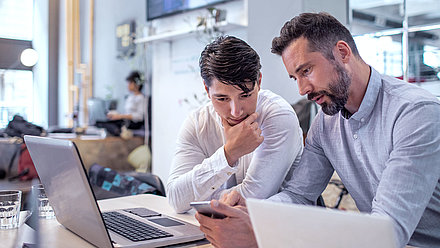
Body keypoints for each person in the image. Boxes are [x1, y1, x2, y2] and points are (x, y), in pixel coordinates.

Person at [195, 12, 440, 248]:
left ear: (342, 53)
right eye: (295, 78)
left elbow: (388, 232)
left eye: (306, 71)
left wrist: (261, 238)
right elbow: (299, 195)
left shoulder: (415, 113)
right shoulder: (326, 122)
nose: (302, 90)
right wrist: (251, 209)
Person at [167, 36, 304, 213]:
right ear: (207, 90)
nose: (236, 111)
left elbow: (251, 198)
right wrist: (229, 154)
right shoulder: (197, 123)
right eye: (222, 98)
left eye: (245, 95)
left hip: (281, 228)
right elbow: (176, 200)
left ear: (259, 82)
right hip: (220, 229)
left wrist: (197, 198)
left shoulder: (278, 115)